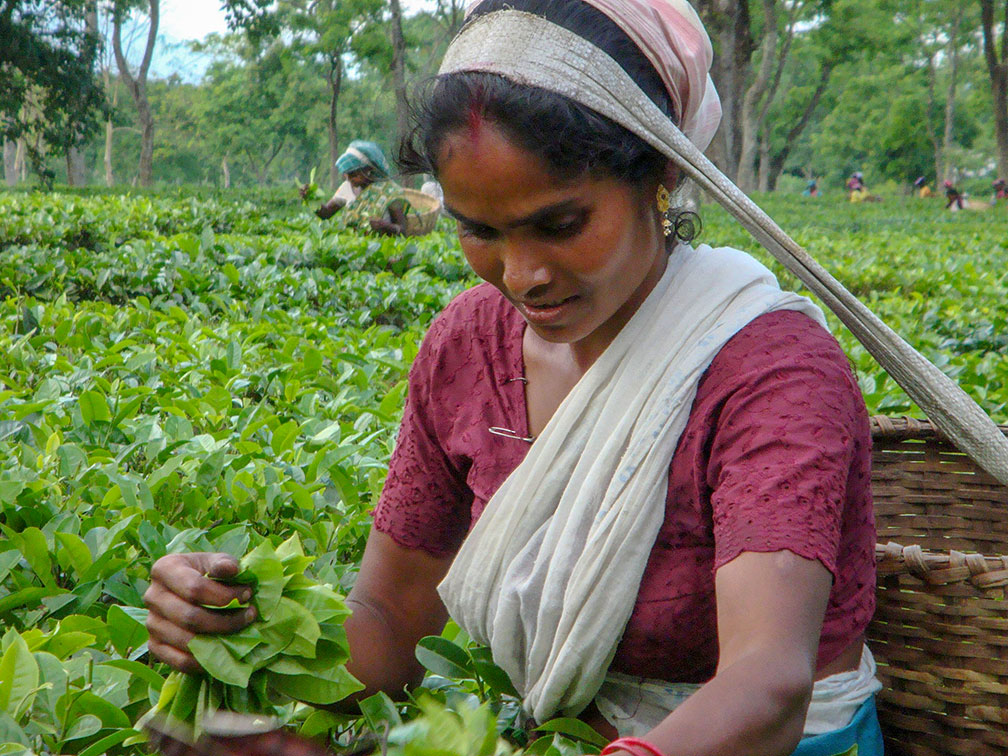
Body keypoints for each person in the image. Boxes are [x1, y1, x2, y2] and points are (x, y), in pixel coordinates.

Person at [144, 2, 881, 756]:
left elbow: (766, 687)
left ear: (661, 172)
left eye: (560, 224)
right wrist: (240, 620)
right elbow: (392, 624)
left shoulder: (770, 370)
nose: (522, 277)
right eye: (479, 231)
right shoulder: (469, 347)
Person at [315, 140, 416, 236]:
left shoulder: (389, 191)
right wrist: (311, 199)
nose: (349, 179)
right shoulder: (346, 188)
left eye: (354, 174)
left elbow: (402, 230)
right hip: (353, 247)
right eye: (347, 174)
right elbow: (326, 213)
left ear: (368, 170)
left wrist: (385, 226)